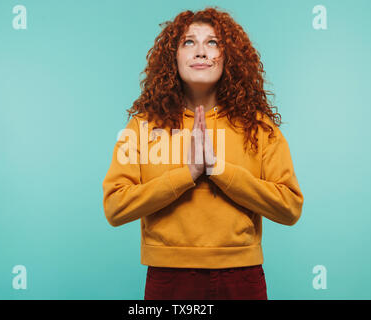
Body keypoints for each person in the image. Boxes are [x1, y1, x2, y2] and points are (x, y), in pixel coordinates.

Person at [102, 6, 304, 300]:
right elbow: (115, 206)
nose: (200, 51)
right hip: (168, 278)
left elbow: (290, 207)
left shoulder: (258, 127)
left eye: (212, 42)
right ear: (173, 57)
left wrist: (217, 169)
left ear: (229, 56)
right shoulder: (142, 126)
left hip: (242, 277)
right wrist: (189, 173)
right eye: (188, 42)